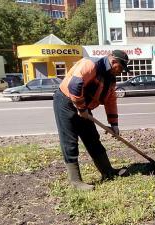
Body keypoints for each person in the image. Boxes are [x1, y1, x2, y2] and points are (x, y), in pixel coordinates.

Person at [53, 50, 130, 191]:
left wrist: (114, 124)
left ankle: (108, 172)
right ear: (113, 62)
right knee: (70, 141)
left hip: (84, 107)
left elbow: (111, 101)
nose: (121, 72)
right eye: (120, 68)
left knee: (93, 138)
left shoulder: (111, 79)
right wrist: (82, 109)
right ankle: (76, 181)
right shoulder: (90, 64)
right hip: (65, 102)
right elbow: (74, 86)